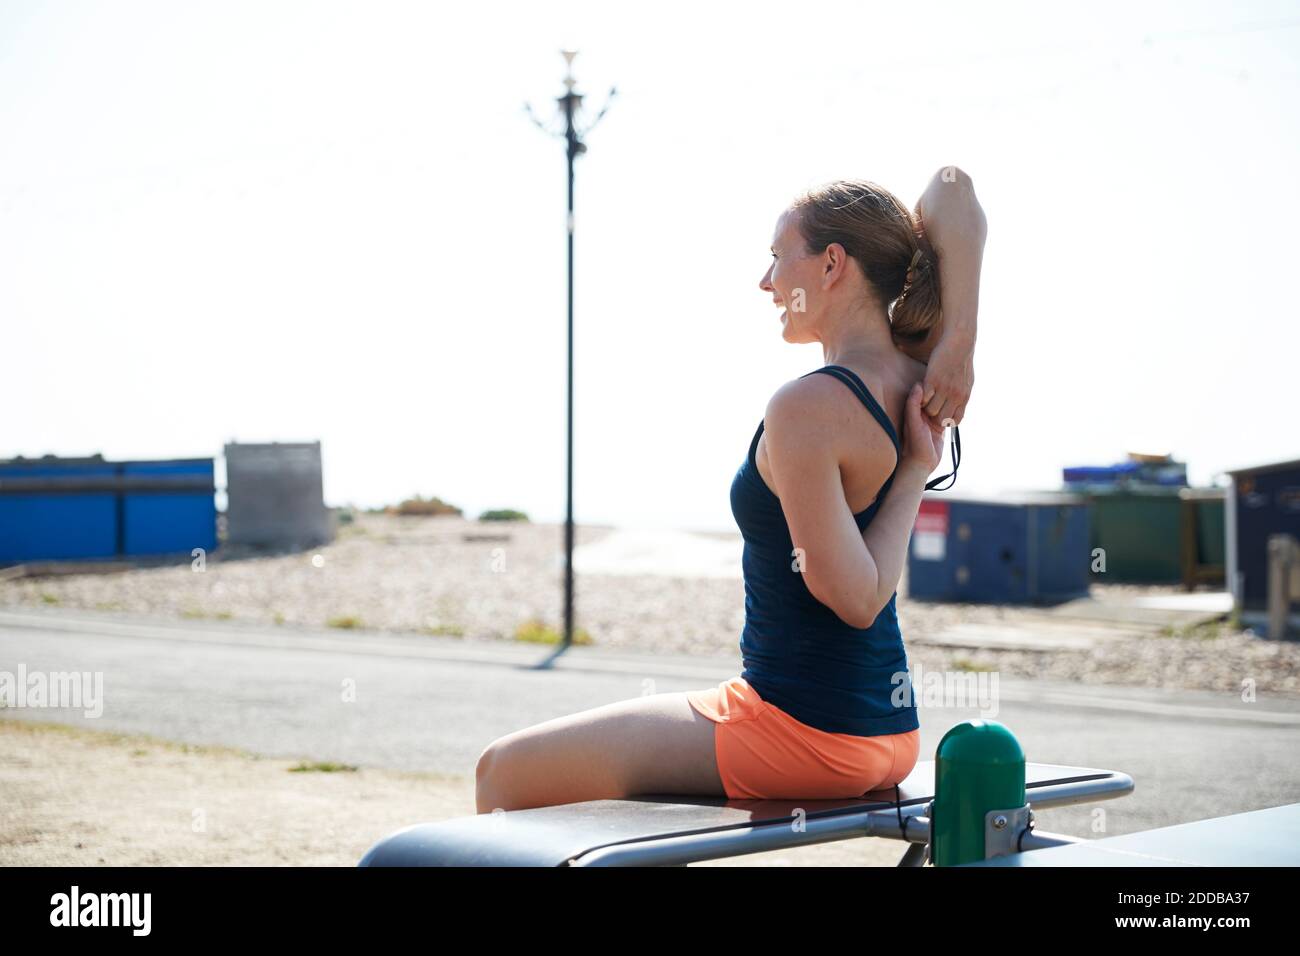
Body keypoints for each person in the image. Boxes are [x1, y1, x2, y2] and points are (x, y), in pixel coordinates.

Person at [475, 166, 987, 811]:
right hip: (885, 732)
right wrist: (958, 348)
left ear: (833, 264)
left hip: (804, 730)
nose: (767, 281)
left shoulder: (808, 405)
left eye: (778, 258)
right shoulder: (921, 371)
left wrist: (922, 453)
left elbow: (857, 598)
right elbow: (953, 189)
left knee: (500, 774)